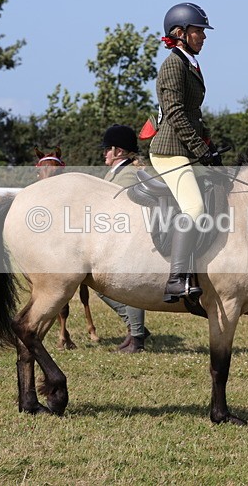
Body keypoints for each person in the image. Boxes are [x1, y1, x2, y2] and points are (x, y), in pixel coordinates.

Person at [149, 2, 221, 304]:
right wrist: (200, 148)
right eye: (198, 31)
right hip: (169, 151)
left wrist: (209, 144)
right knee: (194, 209)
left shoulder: (189, 62)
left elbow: (193, 114)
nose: (203, 36)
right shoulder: (173, 65)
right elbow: (176, 114)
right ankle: (176, 278)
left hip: (186, 147)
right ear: (180, 33)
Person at [98, 124, 151, 352]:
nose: (104, 153)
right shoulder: (116, 171)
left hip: (130, 240)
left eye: (107, 149)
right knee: (101, 286)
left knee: (124, 285)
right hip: (117, 238)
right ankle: (135, 328)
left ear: (118, 151)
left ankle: (137, 336)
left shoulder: (128, 174)